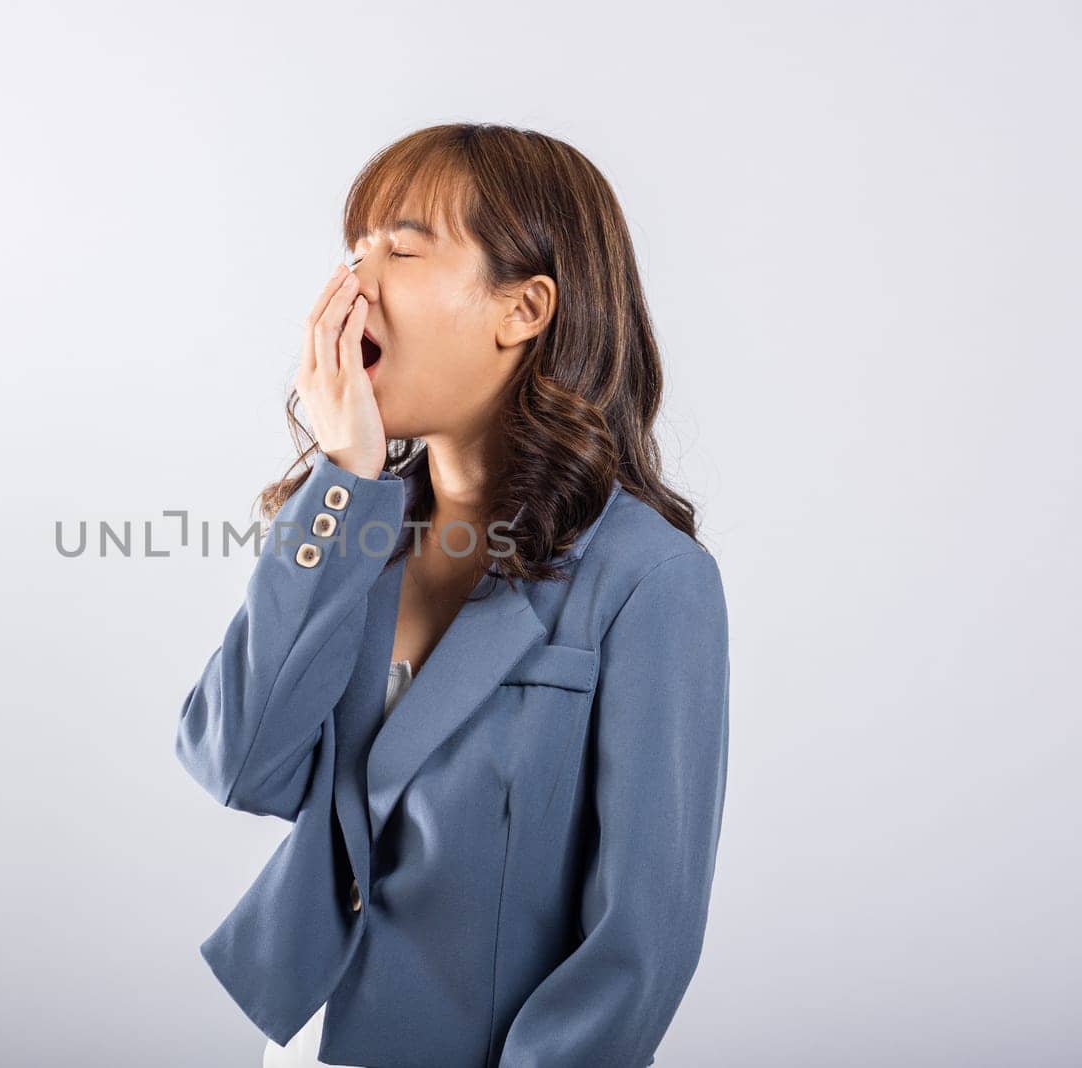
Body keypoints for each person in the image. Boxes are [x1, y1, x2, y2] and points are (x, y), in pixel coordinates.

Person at [175, 123, 730, 1068]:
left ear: (524, 309)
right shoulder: (356, 533)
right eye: (353, 251)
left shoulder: (649, 580)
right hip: (305, 1043)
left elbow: (640, 943)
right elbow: (240, 765)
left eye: (401, 247)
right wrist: (344, 481)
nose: (353, 285)